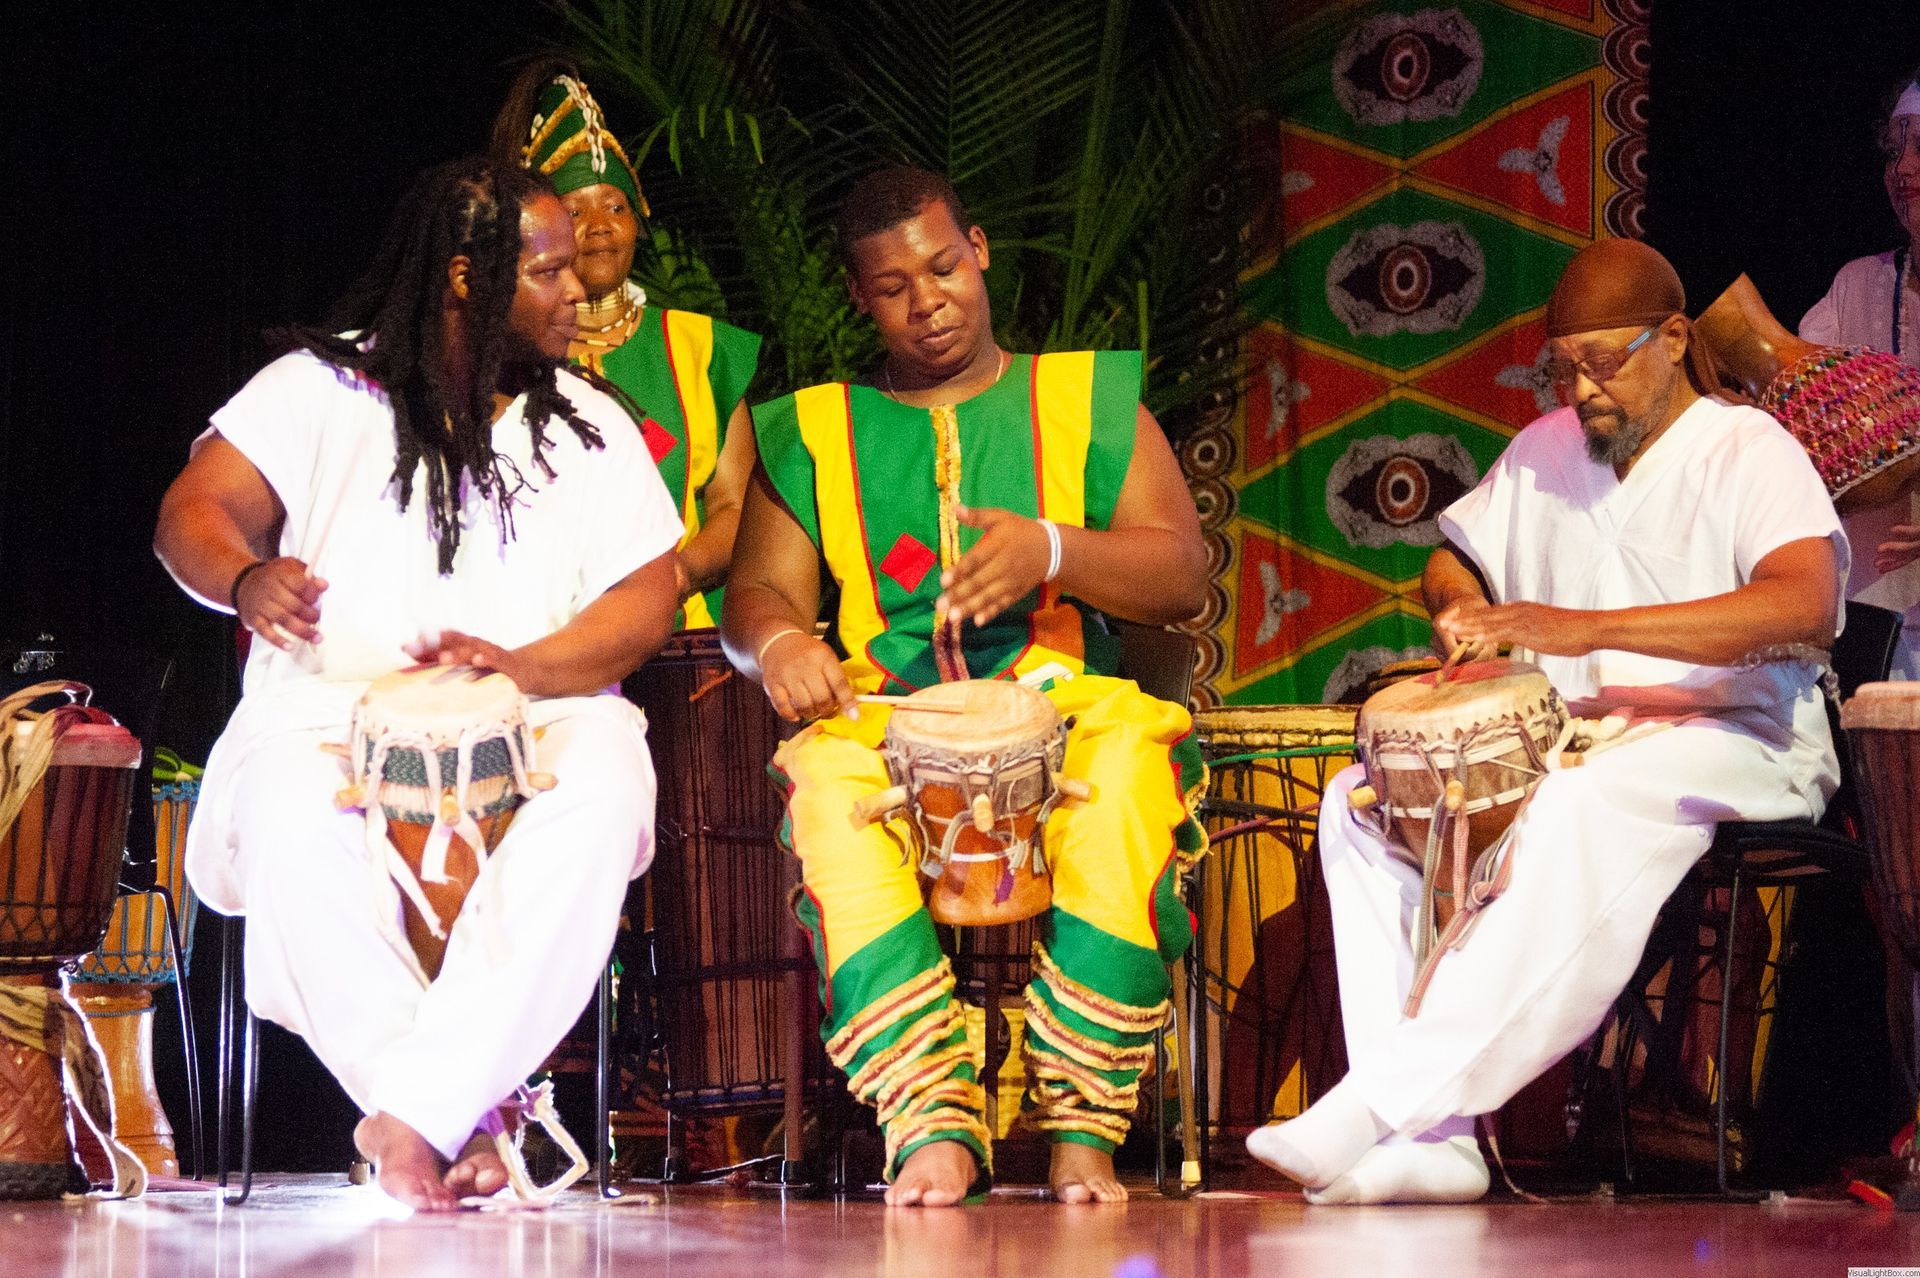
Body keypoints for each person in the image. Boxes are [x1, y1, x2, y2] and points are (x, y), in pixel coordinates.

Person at [1246, 238, 1847, 1204]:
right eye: (1561, 366)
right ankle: (1436, 1139)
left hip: (1740, 734)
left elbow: (1805, 606)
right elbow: (1460, 562)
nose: (1581, 390)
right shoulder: (1543, 451)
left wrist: (1575, 628)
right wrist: (1458, 608)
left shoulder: (1747, 451)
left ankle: (1381, 1103)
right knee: (1361, 803)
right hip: (1575, 740)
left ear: (1676, 339)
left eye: (1604, 361)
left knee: (1578, 810)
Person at [153, 156, 682, 1212]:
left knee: (610, 787)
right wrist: (248, 576)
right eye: (548, 273)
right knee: (290, 812)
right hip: (326, 710)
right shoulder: (319, 390)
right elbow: (192, 513)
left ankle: (412, 1120)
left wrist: (524, 667)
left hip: (544, 709)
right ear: (461, 277)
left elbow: (648, 601)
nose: (577, 294)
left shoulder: (588, 421)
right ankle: (461, 1114)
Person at [721, 167, 1209, 1206]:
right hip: (882, 719)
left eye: (944, 267)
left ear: (979, 251)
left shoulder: (1083, 402)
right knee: (826, 797)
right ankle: (929, 1121)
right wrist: (775, 647)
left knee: (1131, 781)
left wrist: (1051, 551)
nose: (927, 299)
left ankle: (1084, 1124)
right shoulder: (815, 431)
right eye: (893, 286)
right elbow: (757, 590)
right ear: (861, 298)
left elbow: (1182, 576)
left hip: (1067, 709)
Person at [492, 61, 762, 628]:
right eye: (575, 211)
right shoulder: (509, 359)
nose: (601, 225)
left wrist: (676, 579)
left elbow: (736, 508)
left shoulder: (704, 348)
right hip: (538, 636)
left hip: (687, 638)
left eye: (616, 206)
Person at [1801, 63, 1920, 676]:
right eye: (1894, 152)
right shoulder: (1859, 290)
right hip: (1876, 627)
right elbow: (1790, 409)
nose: (1903, 171)